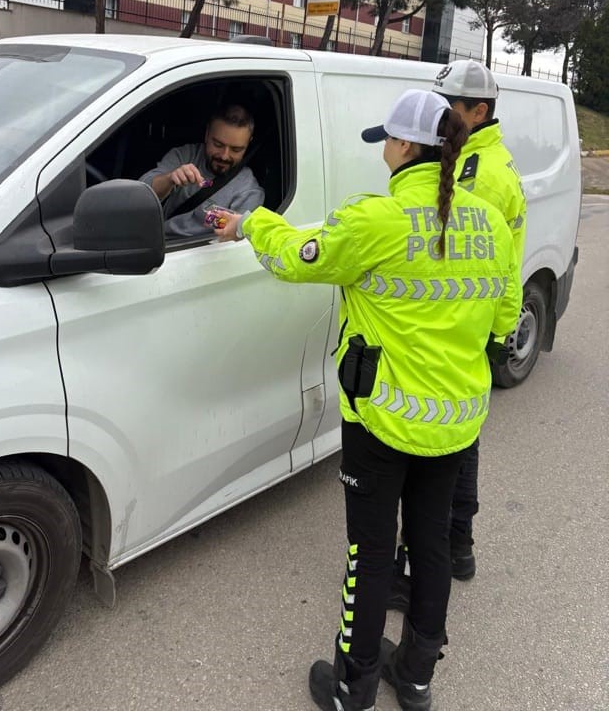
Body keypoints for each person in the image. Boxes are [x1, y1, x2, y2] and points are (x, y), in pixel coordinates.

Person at [214, 88, 521, 712]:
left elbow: (300, 259)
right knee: (430, 544)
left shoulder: (375, 219)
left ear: (405, 147)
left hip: (381, 421)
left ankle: (352, 685)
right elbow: (505, 311)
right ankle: (415, 678)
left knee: (371, 551)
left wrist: (251, 222)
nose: (384, 147)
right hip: (457, 420)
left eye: (388, 138)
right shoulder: (486, 219)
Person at [389, 60, 528, 612]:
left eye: (450, 107)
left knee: (450, 444)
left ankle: (446, 546)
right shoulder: (476, 158)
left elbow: (465, 254)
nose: (441, 116)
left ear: (479, 112)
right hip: (481, 315)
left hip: (466, 317)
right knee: (462, 437)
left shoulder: (481, 174)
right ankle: (457, 545)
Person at [139, 103, 264, 238]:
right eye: (218, 144)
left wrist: (221, 220)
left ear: (248, 144)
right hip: (154, 238)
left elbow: (235, 243)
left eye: (236, 149)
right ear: (206, 135)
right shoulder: (185, 155)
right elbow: (140, 194)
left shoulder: (248, 191)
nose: (224, 155)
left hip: (194, 253)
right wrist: (170, 179)